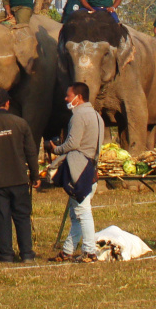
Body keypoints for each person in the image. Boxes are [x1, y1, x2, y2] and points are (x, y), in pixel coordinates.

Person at [48, 83, 104, 264]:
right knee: (76, 214)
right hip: (91, 167)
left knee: (82, 211)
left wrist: (56, 149)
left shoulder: (78, 115)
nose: (66, 98)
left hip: (79, 169)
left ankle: (89, 252)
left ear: (78, 97)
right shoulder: (97, 116)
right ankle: (67, 251)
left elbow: (72, 144)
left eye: (68, 95)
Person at [0, 88, 39, 263]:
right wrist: (35, 175)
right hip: (18, 179)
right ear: (7, 103)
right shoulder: (20, 123)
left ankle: (6, 254)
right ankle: (27, 254)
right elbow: (31, 152)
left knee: (2, 218)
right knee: (22, 216)